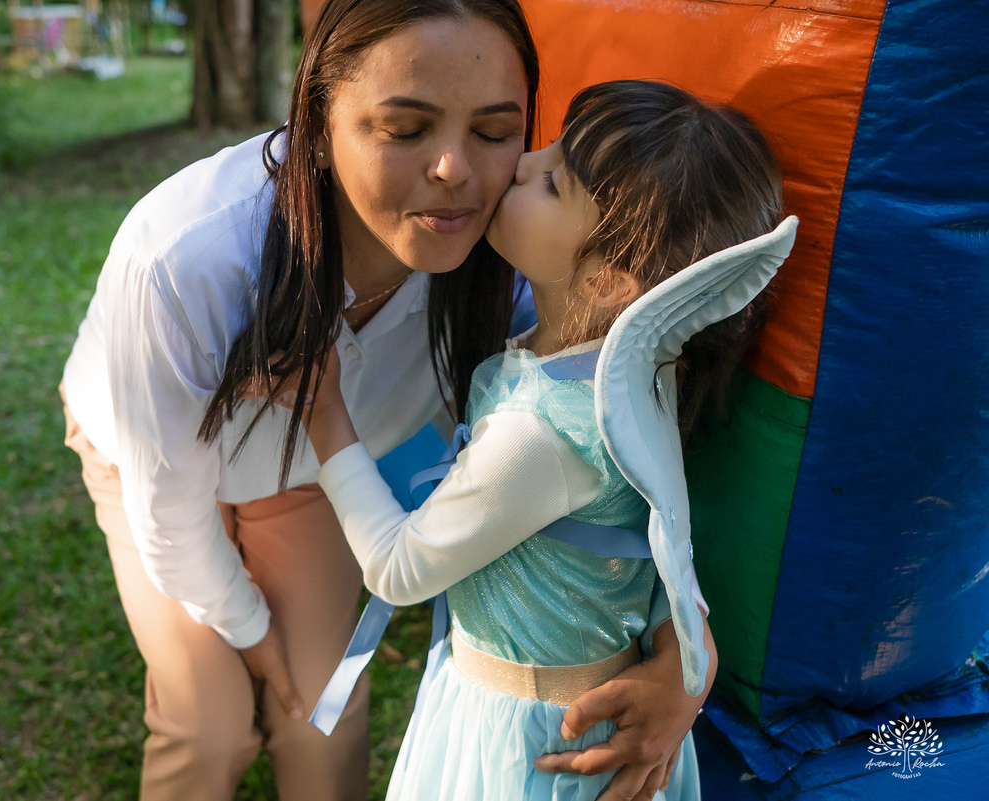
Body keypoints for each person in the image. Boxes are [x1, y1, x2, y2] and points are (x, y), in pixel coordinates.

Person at [59, 0, 715, 796]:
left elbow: (630, 442)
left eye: (495, 131)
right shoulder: (185, 255)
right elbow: (167, 511)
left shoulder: (516, 253)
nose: (454, 170)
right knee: (211, 723)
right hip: (150, 471)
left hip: (313, 478)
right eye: (406, 129)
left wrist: (685, 660)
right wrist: (251, 632)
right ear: (317, 118)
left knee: (319, 720)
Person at [294, 80, 788, 800]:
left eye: (553, 182)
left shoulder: (541, 433)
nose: (524, 164)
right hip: (558, 711)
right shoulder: (640, 375)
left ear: (612, 280)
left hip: (528, 744)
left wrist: (323, 414)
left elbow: (399, 568)